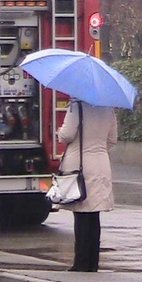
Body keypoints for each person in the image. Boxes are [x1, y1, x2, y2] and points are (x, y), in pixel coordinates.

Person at [57, 99, 118, 272]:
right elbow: (112, 139)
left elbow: (67, 135)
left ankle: (81, 262)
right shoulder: (108, 107)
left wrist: (59, 132)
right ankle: (93, 262)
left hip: (81, 163)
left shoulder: (77, 107)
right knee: (94, 215)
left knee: (81, 213)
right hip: (101, 163)